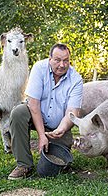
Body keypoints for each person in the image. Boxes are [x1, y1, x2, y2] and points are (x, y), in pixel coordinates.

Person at [8, 43, 83, 180]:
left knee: (60, 164)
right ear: (50, 59)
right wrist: (42, 135)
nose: (62, 65)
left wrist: (62, 128)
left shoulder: (76, 79)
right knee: (18, 113)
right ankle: (24, 165)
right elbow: (33, 104)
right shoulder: (39, 68)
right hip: (35, 115)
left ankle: (59, 147)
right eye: (57, 60)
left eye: (66, 60)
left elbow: (73, 112)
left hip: (58, 123)